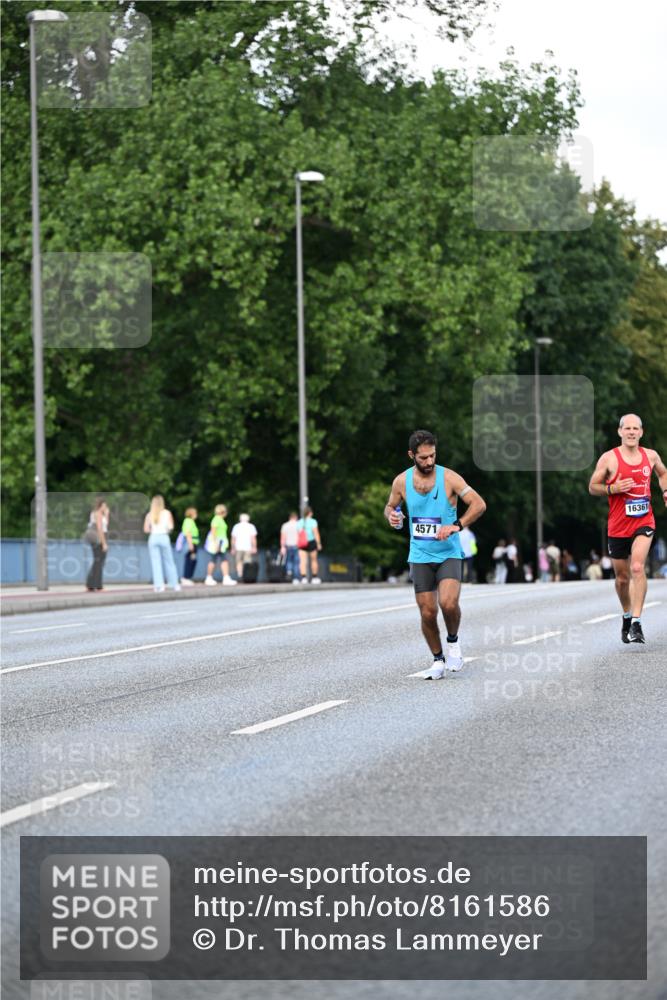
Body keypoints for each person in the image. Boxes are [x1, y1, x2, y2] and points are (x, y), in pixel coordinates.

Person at [385, 429, 486, 679]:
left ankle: (453, 642)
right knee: (428, 612)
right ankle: (438, 659)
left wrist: (457, 525)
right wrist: (392, 516)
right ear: (411, 455)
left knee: (448, 604)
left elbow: (478, 504)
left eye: (432, 455)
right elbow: (390, 506)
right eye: (423, 457)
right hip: (420, 554)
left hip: (448, 552)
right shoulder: (401, 482)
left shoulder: (449, 478)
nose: (429, 461)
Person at [588, 413, 667, 643]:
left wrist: (665, 491)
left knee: (637, 567)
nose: (631, 432)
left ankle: (636, 622)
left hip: (644, 521)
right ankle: (626, 614)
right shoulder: (609, 459)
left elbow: (663, 473)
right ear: (620, 431)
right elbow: (592, 486)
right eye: (627, 428)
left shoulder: (651, 456)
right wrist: (613, 488)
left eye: (635, 428)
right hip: (618, 525)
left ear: (641, 432)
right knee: (622, 579)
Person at [143, 495, 180, 592]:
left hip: (153, 537)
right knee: (169, 561)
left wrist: (153, 529)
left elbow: (146, 529)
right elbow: (171, 527)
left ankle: (159, 585)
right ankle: (174, 584)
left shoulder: (149, 514)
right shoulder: (167, 513)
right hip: (164, 537)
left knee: (156, 563)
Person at [205, 504, 236, 586]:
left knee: (221, 560)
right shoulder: (216, 519)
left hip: (221, 543)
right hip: (217, 543)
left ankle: (225, 577)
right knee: (214, 560)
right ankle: (210, 578)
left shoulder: (220, 519)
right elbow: (213, 532)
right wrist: (216, 544)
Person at [85, 496, 109, 591]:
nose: (105, 507)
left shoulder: (98, 514)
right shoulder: (98, 514)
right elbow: (100, 529)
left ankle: (92, 584)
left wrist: (106, 515)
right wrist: (104, 543)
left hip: (97, 538)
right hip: (98, 538)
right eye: (104, 505)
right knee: (99, 561)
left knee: (98, 561)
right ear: (101, 505)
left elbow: (106, 526)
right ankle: (96, 585)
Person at [297, 507, 322, 583]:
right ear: (310, 513)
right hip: (311, 541)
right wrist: (318, 543)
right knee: (314, 560)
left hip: (302, 543)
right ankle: (314, 577)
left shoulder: (299, 522)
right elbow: (316, 533)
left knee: (302, 561)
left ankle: (303, 578)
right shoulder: (313, 521)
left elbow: (298, 533)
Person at [231, 513, 258, 580]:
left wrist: (233, 548)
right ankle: (246, 575)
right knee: (247, 562)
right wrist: (254, 547)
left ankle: (240, 574)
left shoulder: (236, 526)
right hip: (248, 547)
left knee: (238, 561)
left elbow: (233, 538)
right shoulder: (251, 526)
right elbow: (253, 538)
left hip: (238, 547)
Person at [179, 506, 200, 586]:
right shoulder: (188, 521)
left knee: (193, 560)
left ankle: (188, 577)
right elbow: (188, 533)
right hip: (190, 543)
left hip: (194, 543)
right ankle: (185, 577)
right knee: (189, 561)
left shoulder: (191, 521)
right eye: (195, 513)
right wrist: (190, 544)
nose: (196, 514)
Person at [280, 511, 301, 584]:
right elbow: (301, 535)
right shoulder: (298, 525)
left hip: (288, 545)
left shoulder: (285, 525)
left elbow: (283, 537)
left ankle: (289, 571)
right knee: (296, 562)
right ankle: (296, 578)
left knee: (288, 560)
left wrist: (282, 547)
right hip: (297, 545)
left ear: (290, 517)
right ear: (296, 517)